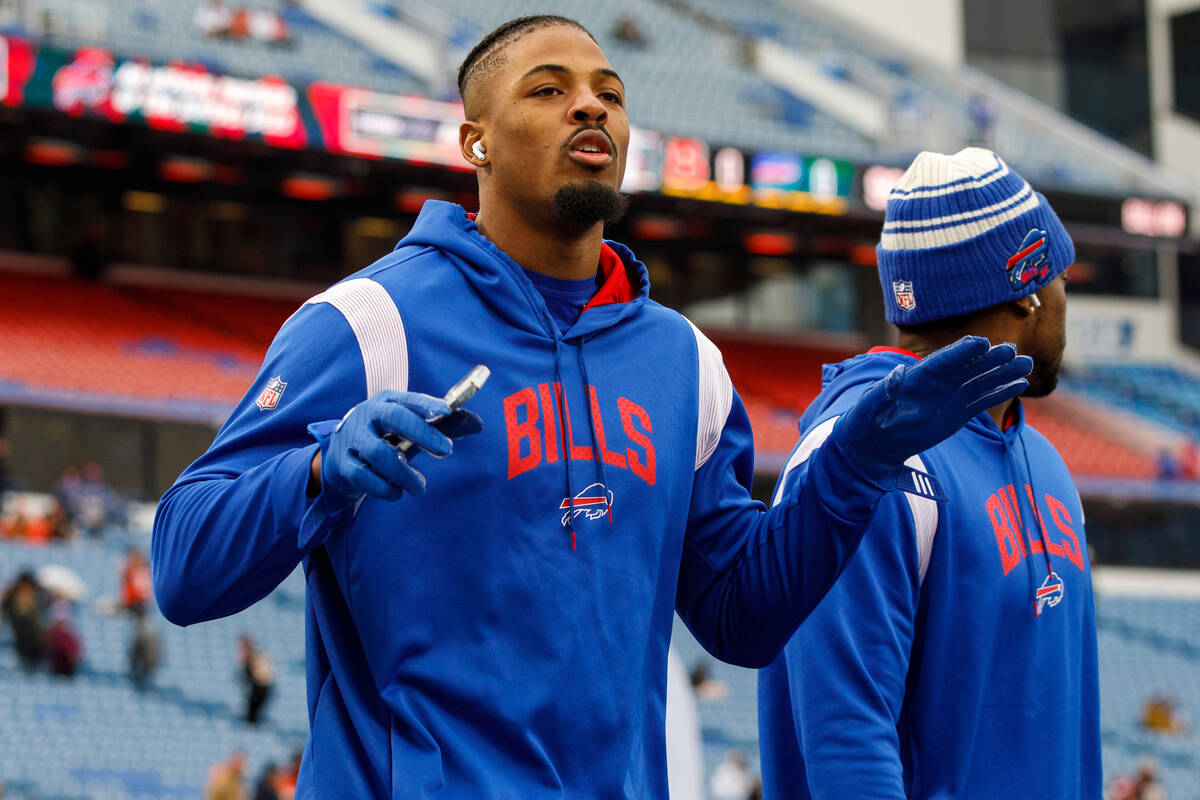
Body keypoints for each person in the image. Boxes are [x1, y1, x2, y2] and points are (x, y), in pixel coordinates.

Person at [151, 17, 1030, 798]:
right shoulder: (369, 322)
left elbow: (740, 617)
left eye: (609, 93)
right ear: (476, 142)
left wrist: (852, 468)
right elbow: (185, 568)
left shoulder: (685, 361)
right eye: (549, 90)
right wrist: (314, 473)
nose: (590, 107)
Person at [758, 148, 1101, 799]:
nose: (1064, 297)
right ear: (1026, 290)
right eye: (1058, 274)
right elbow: (846, 739)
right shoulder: (866, 459)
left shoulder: (1044, 461)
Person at [238, 634, 274, 725]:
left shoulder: (257, 657)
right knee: (251, 713)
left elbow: (264, 675)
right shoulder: (250, 658)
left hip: (260, 686)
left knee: (254, 712)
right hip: (257, 686)